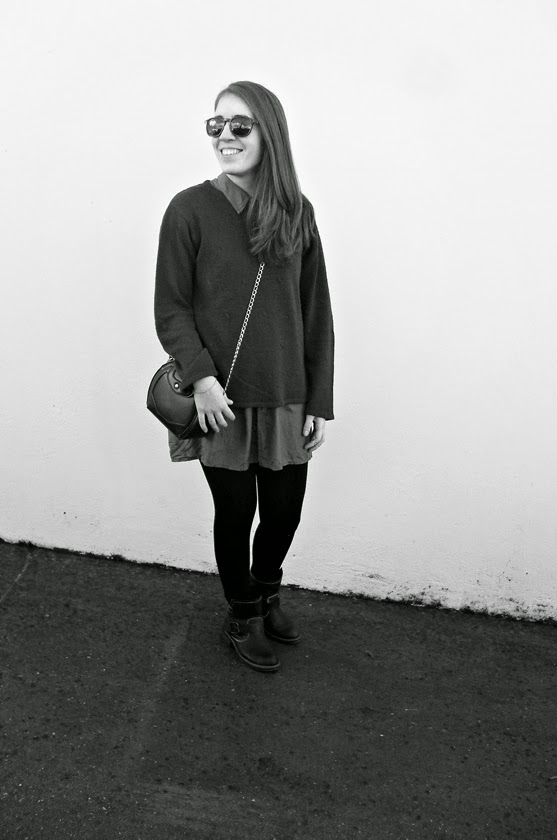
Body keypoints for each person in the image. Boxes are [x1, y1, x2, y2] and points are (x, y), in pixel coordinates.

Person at [154, 81, 334, 673]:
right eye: (216, 125)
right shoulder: (189, 209)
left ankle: (267, 589)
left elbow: (315, 312)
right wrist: (202, 381)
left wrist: (319, 398)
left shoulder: (297, 212)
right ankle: (243, 611)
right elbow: (172, 309)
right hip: (220, 399)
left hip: (285, 394)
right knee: (234, 513)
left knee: (283, 513)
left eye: (240, 125)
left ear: (269, 133)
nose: (224, 136)